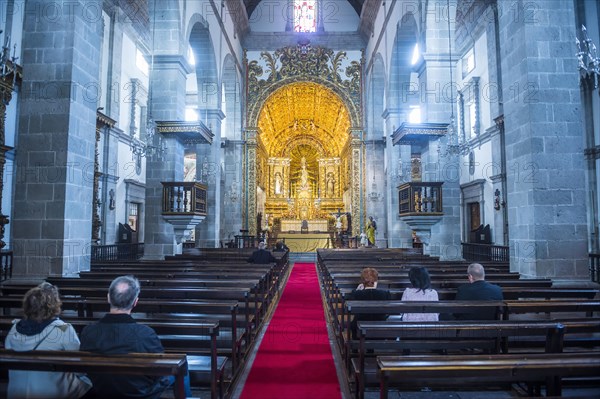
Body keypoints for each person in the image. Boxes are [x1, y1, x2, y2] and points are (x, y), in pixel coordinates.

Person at [79, 275, 191, 398]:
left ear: (108, 298)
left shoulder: (88, 332)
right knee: (181, 368)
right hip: (140, 395)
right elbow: (161, 370)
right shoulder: (146, 334)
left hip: (102, 392)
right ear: (135, 302)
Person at [4, 282, 92, 399]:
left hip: (17, 391)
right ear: (54, 305)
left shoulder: (14, 329)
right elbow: (79, 367)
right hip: (52, 391)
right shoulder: (63, 328)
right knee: (89, 384)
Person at [349, 267, 391, 339]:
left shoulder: (356, 293)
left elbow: (352, 309)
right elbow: (388, 311)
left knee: (353, 323)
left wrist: (359, 290)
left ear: (363, 281)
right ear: (376, 281)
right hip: (380, 323)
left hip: (360, 323)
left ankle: (354, 347)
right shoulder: (385, 294)